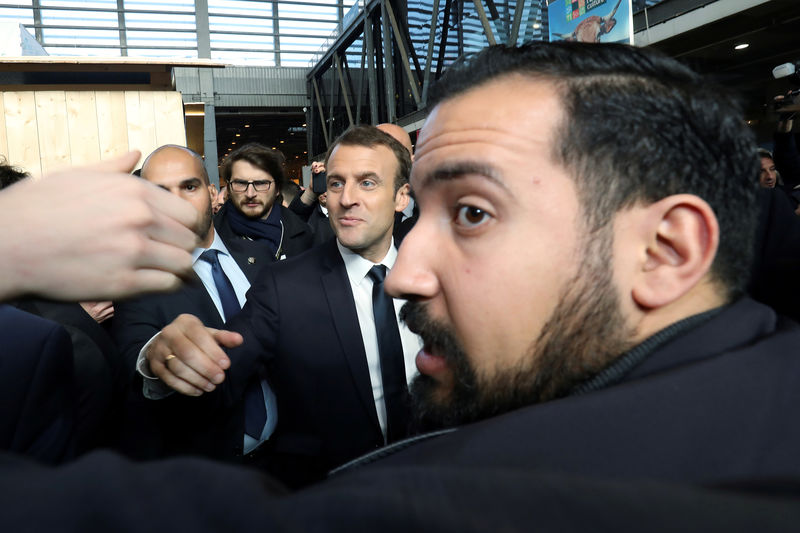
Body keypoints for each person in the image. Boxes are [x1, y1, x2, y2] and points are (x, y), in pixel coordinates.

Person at [2, 42, 800, 532]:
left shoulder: (487, 501)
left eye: (476, 212)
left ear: (667, 248)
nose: (407, 277)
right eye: (430, 207)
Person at [140, 125, 422, 488]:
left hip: (436, 478)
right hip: (333, 494)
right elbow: (219, 374)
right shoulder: (283, 285)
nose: (347, 198)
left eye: (367, 183)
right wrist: (167, 361)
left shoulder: (437, 272)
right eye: (336, 183)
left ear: (401, 196)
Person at [112, 145, 277, 460]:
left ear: (214, 193)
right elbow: (137, 355)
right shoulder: (136, 281)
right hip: (211, 468)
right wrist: (157, 356)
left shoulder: (258, 256)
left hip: (288, 458)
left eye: (189, 187)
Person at [215, 143, 313, 261]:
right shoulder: (212, 239)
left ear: (277, 189)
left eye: (261, 183)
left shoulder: (302, 235)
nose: (250, 194)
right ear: (229, 188)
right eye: (241, 183)